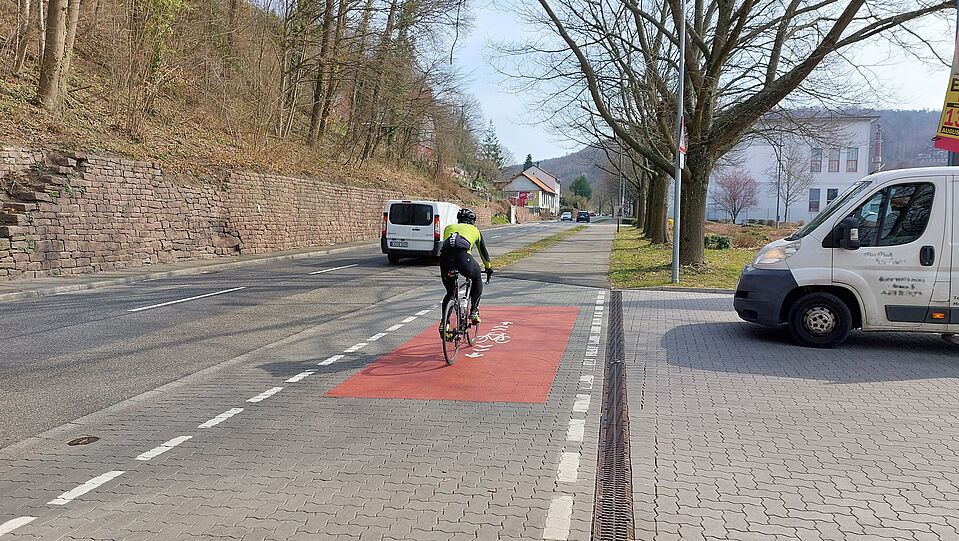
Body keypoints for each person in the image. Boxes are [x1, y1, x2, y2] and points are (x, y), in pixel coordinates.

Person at [440, 208, 492, 323]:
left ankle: (444, 323)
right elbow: (483, 252)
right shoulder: (475, 230)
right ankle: (474, 310)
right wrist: (488, 268)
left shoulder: (448, 228)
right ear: (472, 221)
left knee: (450, 292)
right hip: (464, 259)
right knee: (477, 276)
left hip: (445, 260)